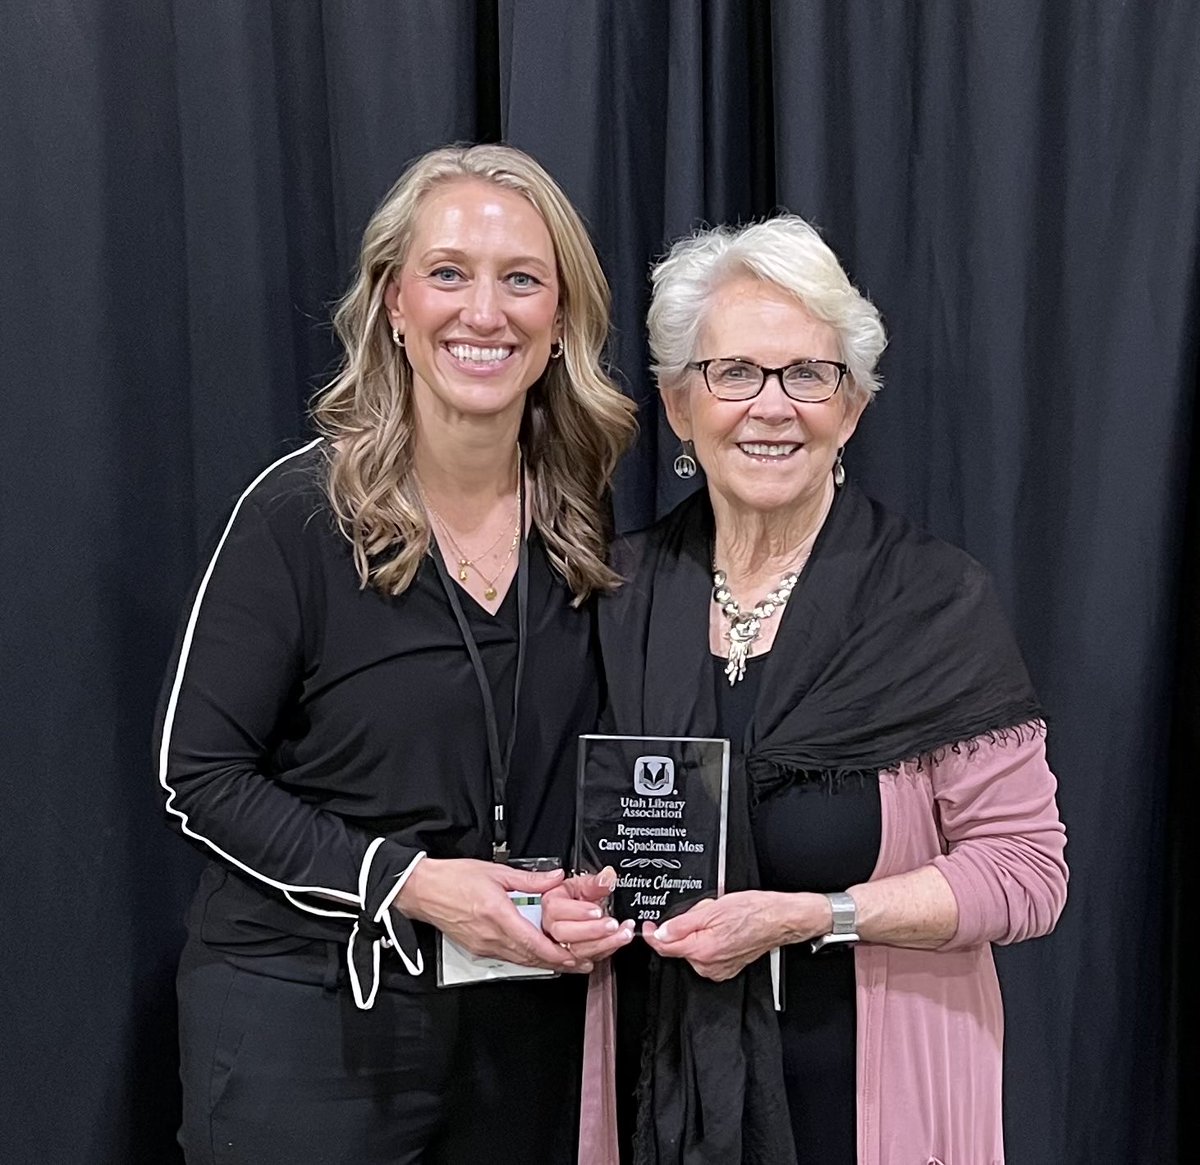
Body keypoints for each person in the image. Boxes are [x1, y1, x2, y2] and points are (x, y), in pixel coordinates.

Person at [548, 215, 1068, 1164]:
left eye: (809, 375)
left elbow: (1028, 872)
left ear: (853, 407)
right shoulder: (612, 600)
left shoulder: (934, 602)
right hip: (658, 1095)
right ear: (677, 404)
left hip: (870, 1096)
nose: (772, 406)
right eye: (734, 372)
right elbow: (562, 832)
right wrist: (570, 902)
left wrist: (813, 914)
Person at [153, 143, 636, 1164]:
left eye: (521, 280)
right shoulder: (297, 514)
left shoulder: (582, 525)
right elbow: (197, 776)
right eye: (449, 272)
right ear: (394, 306)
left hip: (515, 1026)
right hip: (308, 1023)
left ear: (559, 325)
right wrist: (409, 882)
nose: (484, 311)